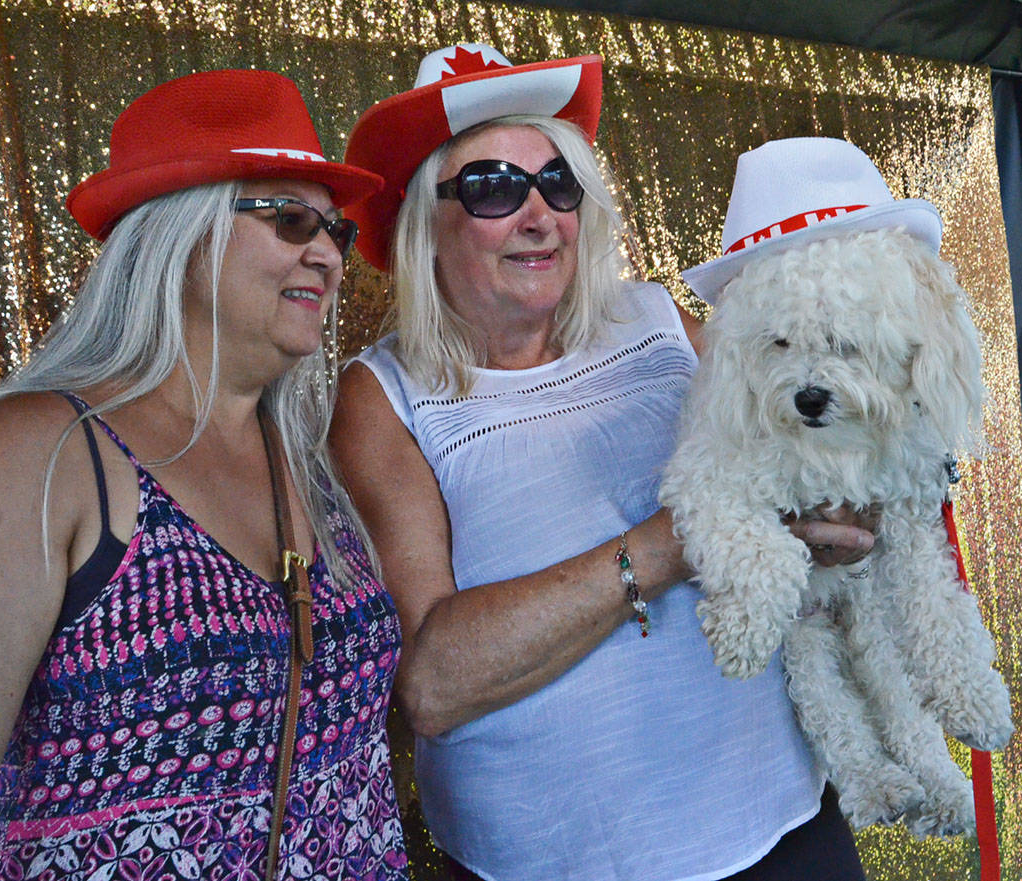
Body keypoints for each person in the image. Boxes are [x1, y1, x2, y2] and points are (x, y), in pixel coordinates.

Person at [330, 44, 874, 881]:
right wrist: (670, 543)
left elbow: (808, 469)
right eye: (493, 187)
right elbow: (432, 685)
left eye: (558, 182)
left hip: (781, 829)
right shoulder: (384, 396)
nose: (538, 214)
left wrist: (844, 515)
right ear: (420, 222)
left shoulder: (662, 324)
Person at [0, 69, 409, 881]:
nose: (327, 254)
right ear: (181, 235)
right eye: (290, 218)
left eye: (335, 231)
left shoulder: (309, 455)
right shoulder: (46, 451)